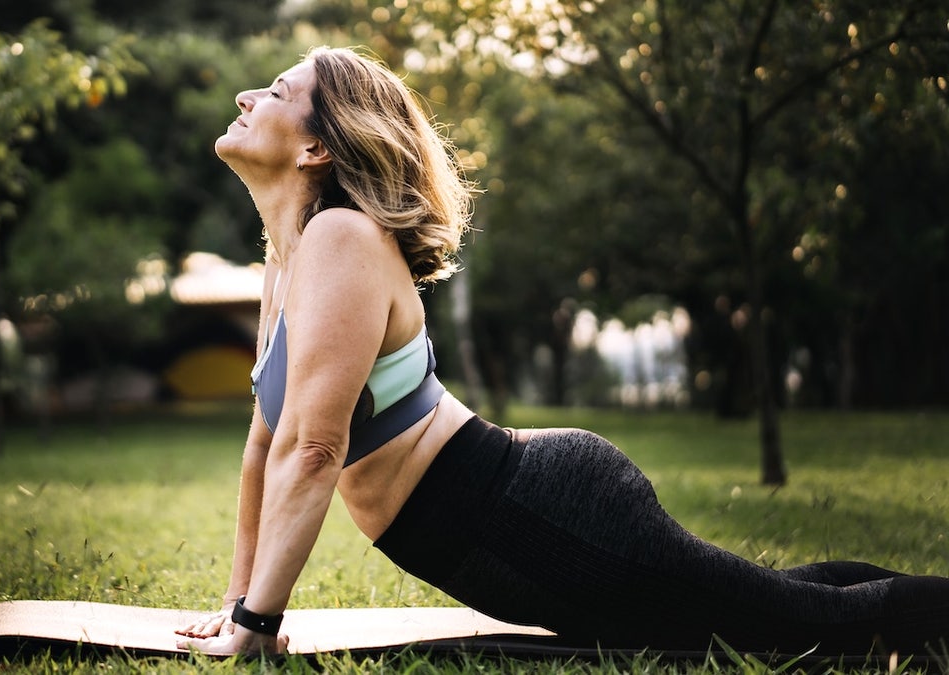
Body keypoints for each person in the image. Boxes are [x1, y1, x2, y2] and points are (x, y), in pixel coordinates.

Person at [174, 46, 949, 657]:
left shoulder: (341, 236)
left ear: (316, 146)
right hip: (493, 520)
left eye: (274, 91)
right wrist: (239, 608)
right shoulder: (289, 259)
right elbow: (265, 444)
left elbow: (316, 448)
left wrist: (259, 616)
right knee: (770, 600)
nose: (246, 96)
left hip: (527, 508)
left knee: (799, 623)